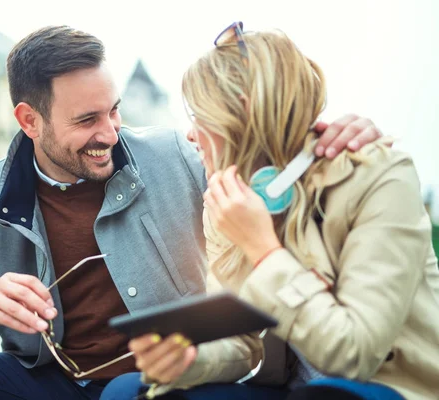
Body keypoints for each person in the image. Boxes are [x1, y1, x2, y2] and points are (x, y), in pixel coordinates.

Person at [0, 25, 386, 400]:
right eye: (87, 120)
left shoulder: (178, 156)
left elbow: (272, 164)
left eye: (114, 110)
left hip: (174, 376)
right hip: (54, 383)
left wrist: (333, 132)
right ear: (29, 120)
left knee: (125, 392)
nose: (109, 132)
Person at [100, 22, 439, 400]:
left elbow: (353, 356)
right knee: (129, 390)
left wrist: (263, 249)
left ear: (243, 112)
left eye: (201, 116)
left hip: (380, 388)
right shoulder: (226, 202)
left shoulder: (378, 178)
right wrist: (191, 359)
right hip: (287, 388)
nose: (190, 134)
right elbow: (243, 343)